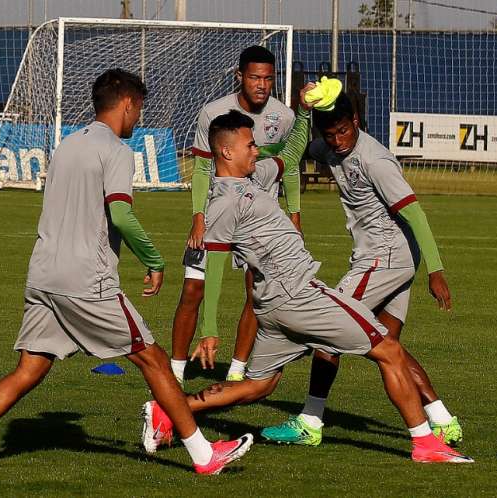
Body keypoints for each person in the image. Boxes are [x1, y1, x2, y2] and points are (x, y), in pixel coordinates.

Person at [0, 69, 251, 475]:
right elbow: (121, 214)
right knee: (155, 360)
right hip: (86, 279)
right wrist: (153, 260)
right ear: (126, 104)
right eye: (139, 108)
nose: (139, 118)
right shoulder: (117, 151)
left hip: (43, 274)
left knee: (30, 367)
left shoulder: (67, 145)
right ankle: (203, 455)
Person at [143, 106, 473, 465]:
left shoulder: (254, 175)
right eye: (250, 145)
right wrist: (209, 330)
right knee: (388, 349)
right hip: (300, 296)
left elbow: (290, 153)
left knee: (258, 387)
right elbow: (216, 266)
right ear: (226, 152)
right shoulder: (223, 203)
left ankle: (167, 411)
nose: (257, 150)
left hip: (272, 306)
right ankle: (425, 443)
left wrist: (303, 112)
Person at [262, 83, 461, 447]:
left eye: (344, 131)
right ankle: (443, 420)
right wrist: (304, 110)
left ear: (356, 120)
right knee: (388, 344)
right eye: (331, 134)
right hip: (393, 257)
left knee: (327, 330)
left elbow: (414, 213)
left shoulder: (375, 160)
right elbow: (298, 148)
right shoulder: (331, 146)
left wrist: (436, 271)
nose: (338, 140)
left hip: (383, 257)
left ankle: (310, 420)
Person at [172, 45, 299, 384]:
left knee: (255, 294)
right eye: (255, 77)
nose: (262, 85)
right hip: (217, 212)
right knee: (192, 290)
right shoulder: (213, 112)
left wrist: (295, 212)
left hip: (258, 218)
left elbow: (290, 168)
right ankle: (176, 369)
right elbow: (201, 169)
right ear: (239, 76)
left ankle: (238, 371)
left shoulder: (284, 117)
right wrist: (198, 216)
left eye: (269, 79)